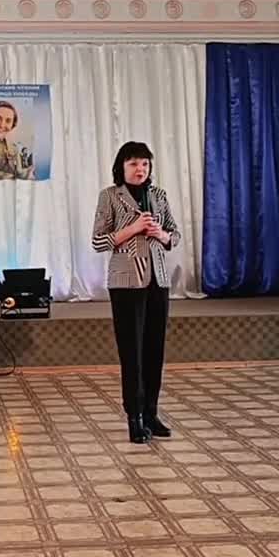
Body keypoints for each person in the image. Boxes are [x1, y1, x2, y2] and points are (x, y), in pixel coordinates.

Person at [91, 141, 180, 445]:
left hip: (158, 281)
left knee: (155, 350)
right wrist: (133, 227)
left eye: (144, 163)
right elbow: (98, 241)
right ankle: (135, 417)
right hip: (126, 283)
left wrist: (162, 234)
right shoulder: (109, 196)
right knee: (132, 353)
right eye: (133, 163)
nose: (140, 169)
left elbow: (175, 235)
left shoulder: (159, 196)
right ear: (122, 167)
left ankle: (151, 413)